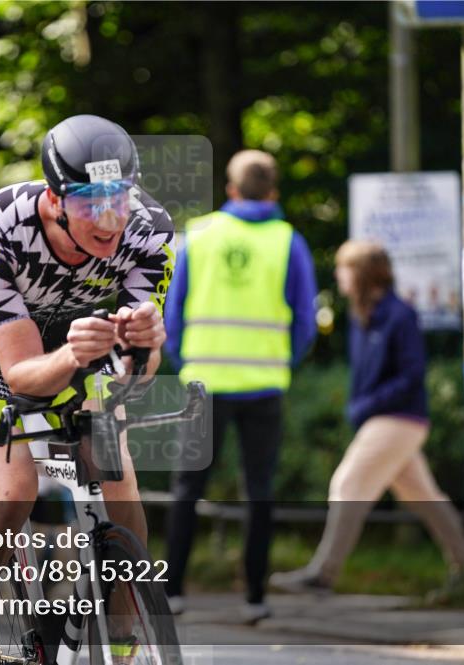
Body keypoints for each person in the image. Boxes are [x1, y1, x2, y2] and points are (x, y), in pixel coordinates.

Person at [0, 115, 174, 665]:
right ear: (55, 200)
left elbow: (138, 369)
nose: (110, 219)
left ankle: (124, 634)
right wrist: (74, 356)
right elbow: (20, 375)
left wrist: (143, 350)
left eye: (119, 198)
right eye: (91, 203)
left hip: (74, 338)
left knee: (116, 477)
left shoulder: (150, 229)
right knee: (12, 492)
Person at [162, 150, 318, 623]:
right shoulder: (289, 241)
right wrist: (282, 360)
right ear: (273, 192)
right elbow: (305, 319)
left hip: (203, 381)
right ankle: (254, 597)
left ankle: (173, 591)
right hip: (264, 383)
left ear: (231, 189)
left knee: (187, 488)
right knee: (260, 491)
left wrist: (184, 360)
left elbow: (173, 310)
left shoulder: (199, 235)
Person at [270, 240, 464, 593]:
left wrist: (368, 405)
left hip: (398, 418)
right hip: (384, 418)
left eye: (344, 269)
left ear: (361, 274)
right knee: (423, 498)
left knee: (347, 485)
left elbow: (411, 375)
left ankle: (323, 574)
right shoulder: (361, 316)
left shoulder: (400, 315)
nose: (338, 276)